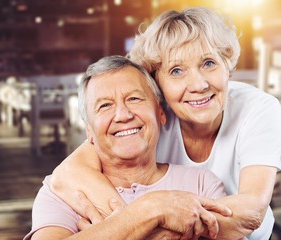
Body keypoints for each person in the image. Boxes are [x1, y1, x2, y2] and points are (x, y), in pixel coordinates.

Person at [50, 6, 281, 240]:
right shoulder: (149, 117)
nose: (199, 84)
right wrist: (142, 217)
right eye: (177, 70)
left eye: (209, 63)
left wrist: (135, 230)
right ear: (156, 81)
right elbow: (67, 175)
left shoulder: (259, 109)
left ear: (227, 66)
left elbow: (251, 210)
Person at [24, 55, 233, 240]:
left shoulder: (202, 184)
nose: (123, 115)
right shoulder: (63, 191)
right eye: (105, 105)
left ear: (160, 113)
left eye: (134, 99)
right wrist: (150, 209)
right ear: (89, 132)